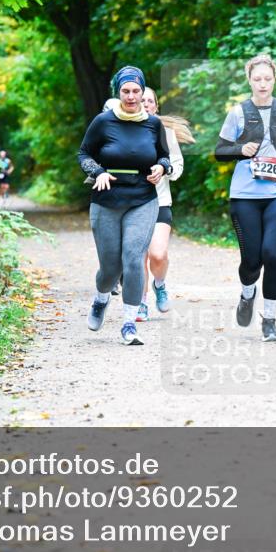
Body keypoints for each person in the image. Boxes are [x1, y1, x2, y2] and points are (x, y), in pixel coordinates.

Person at [214, 54, 276, 341]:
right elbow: (219, 151)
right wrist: (240, 150)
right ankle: (247, 293)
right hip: (245, 195)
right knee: (252, 260)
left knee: (273, 254)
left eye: (268, 79)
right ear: (249, 80)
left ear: (274, 79)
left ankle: (270, 319)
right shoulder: (238, 113)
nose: (263, 84)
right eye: (257, 79)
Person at [78, 65, 172, 345]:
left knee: (133, 259)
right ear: (118, 93)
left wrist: (161, 168)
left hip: (143, 199)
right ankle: (101, 297)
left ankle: (129, 323)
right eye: (126, 91)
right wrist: (98, 172)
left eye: (136, 91)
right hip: (106, 200)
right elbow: (84, 153)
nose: (132, 97)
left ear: (143, 93)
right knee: (110, 269)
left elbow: (165, 157)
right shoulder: (103, 122)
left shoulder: (153, 124)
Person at [136, 86, 191, 321]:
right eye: (143, 99)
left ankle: (160, 284)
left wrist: (164, 168)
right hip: (132, 204)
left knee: (157, 255)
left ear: (156, 106)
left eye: (151, 101)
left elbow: (177, 166)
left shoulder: (165, 133)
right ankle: (139, 303)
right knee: (138, 257)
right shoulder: (124, 130)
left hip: (160, 202)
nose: (146, 103)